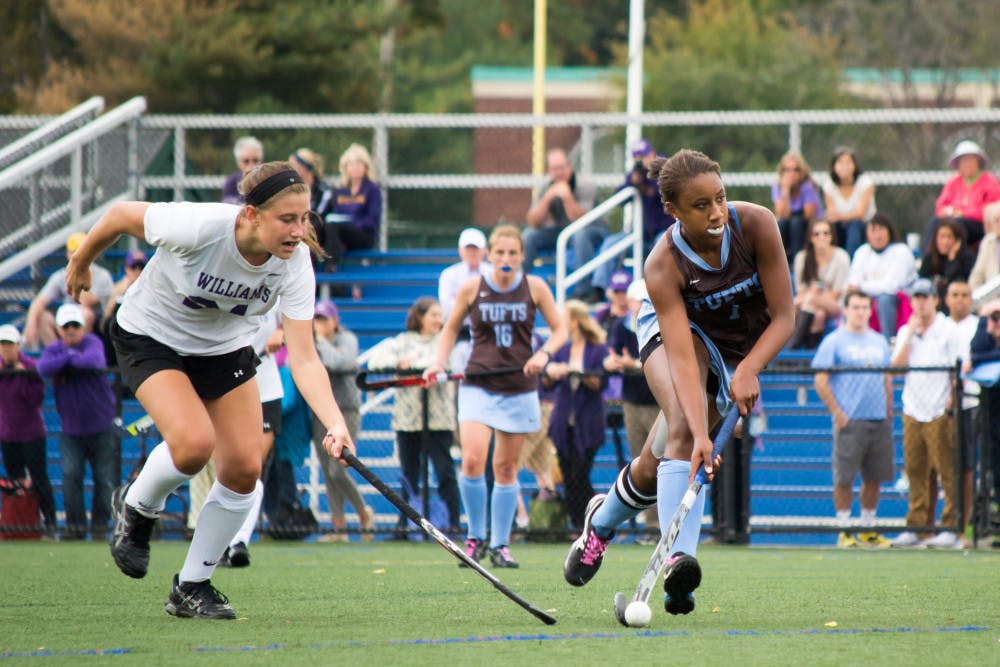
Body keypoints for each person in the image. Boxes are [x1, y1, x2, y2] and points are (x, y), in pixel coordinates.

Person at [65, 161, 354, 619]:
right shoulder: (200, 226)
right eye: (287, 219)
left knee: (243, 468)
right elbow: (120, 215)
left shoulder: (295, 264)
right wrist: (82, 261)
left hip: (223, 350)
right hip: (150, 336)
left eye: (304, 219)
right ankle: (138, 506)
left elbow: (303, 357)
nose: (299, 231)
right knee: (194, 444)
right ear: (251, 215)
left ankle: (192, 586)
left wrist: (335, 422)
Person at [563, 149, 794, 617]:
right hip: (677, 337)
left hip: (736, 348)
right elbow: (685, 361)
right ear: (672, 210)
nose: (716, 213)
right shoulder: (663, 265)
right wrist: (705, 436)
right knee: (685, 433)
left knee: (656, 460)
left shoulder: (757, 225)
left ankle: (601, 521)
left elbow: (786, 317)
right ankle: (678, 562)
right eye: (701, 205)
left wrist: (749, 367)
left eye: (720, 198)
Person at [423, 225, 567, 569]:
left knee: (505, 468)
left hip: (519, 387)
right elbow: (451, 329)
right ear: (490, 255)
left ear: (521, 256)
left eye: (512, 253)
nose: (505, 259)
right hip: (478, 383)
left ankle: (501, 544)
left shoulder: (535, 287)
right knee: (473, 459)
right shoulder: (473, 288)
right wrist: (438, 362)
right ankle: (474, 538)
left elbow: (561, 329)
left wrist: (543, 355)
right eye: (499, 253)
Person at [187, 307, 284, 566]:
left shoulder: (278, 285)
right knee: (227, 473)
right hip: (230, 387)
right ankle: (217, 543)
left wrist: (282, 331)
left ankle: (239, 542)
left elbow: (298, 326)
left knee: (251, 470)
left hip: (266, 388)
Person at [367, 297, 461, 534]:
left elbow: (444, 362)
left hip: (438, 419)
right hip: (408, 420)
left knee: (444, 471)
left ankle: (454, 522)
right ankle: (406, 524)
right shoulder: (402, 341)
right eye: (433, 315)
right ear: (420, 317)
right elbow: (375, 360)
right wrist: (398, 363)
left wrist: (417, 366)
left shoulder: (444, 342)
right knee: (409, 473)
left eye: (440, 316)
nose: (438, 320)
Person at [811, 290, 894, 548]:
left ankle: (868, 528)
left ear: (871, 310)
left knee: (874, 477)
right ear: (845, 310)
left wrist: (889, 412)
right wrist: (838, 413)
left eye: (864, 307)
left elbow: (886, 379)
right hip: (850, 421)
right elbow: (820, 380)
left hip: (878, 419)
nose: (860, 312)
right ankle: (845, 529)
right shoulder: (834, 341)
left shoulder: (879, 341)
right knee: (844, 477)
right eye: (855, 307)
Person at [890, 279, 964, 548]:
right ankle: (917, 526)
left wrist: (950, 404)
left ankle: (950, 526)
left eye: (925, 297)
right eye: (916, 298)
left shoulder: (948, 330)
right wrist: (909, 334)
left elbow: (958, 371)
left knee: (947, 470)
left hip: (938, 409)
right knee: (915, 470)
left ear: (935, 300)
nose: (920, 303)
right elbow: (896, 367)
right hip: (913, 409)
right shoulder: (906, 330)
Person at [36, 303, 118, 541]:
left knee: (105, 480)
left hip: (101, 426)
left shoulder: (93, 342)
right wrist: (71, 357)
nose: (71, 330)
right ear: (59, 330)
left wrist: (67, 359)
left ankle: (100, 527)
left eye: (75, 326)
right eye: (66, 327)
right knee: (71, 476)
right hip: (71, 430)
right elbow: (43, 367)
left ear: (82, 327)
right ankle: (75, 528)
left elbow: (91, 361)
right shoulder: (54, 350)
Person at [541, 300, 609, 529]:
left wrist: (575, 372)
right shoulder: (562, 349)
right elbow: (547, 382)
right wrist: (551, 372)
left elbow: (599, 382)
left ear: (576, 321)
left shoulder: (597, 348)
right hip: (563, 422)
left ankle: (599, 519)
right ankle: (578, 525)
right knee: (568, 478)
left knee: (580, 474)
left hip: (587, 421)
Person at [311, 299, 374, 541]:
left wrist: (321, 341)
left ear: (335, 320)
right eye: (317, 319)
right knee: (328, 471)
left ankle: (362, 512)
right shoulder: (315, 342)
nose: (320, 324)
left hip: (346, 409)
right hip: (321, 410)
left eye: (324, 318)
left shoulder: (346, 338)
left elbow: (338, 362)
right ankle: (339, 528)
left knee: (338, 469)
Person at [604, 279, 660, 533]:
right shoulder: (620, 326)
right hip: (632, 403)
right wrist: (612, 363)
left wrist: (633, 365)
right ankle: (649, 526)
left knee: (661, 462)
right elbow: (611, 356)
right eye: (635, 301)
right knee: (641, 465)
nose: (637, 307)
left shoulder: (660, 325)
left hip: (658, 404)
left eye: (642, 302)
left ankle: (661, 525)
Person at [589, 139, 675, 295]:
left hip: (664, 232)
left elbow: (660, 191)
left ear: (652, 153)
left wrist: (647, 175)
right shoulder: (637, 173)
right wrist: (632, 182)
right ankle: (598, 290)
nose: (640, 160)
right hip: (641, 236)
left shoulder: (667, 166)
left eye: (644, 156)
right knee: (610, 244)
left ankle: (662, 290)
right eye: (637, 157)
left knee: (662, 246)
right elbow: (619, 198)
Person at [523, 148, 606, 301]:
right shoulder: (546, 186)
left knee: (579, 234)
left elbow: (582, 220)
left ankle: (585, 291)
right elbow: (533, 221)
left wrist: (567, 197)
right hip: (563, 232)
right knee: (529, 235)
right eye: (555, 169)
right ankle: (517, 283)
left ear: (570, 167)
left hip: (593, 230)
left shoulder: (585, 185)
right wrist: (548, 198)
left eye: (562, 167)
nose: (559, 172)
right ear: (549, 171)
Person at [0, 324, 57, 535]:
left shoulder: (31, 367)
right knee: (14, 481)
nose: (6, 349)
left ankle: (50, 523)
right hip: (8, 435)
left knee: (39, 479)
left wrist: (23, 377)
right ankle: (17, 525)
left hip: (32, 434)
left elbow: (36, 399)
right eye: (3, 345)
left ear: (18, 346)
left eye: (10, 345)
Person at [23, 232, 114, 348]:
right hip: (67, 319)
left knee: (85, 314)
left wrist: (81, 274)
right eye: (74, 252)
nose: (78, 256)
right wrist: (31, 323)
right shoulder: (60, 275)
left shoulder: (102, 275)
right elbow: (39, 301)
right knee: (42, 317)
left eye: (82, 251)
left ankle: (82, 355)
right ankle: (57, 355)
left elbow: (86, 302)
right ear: (68, 254)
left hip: (96, 326)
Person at [844, 213, 917, 341]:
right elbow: (853, 281)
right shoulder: (862, 251)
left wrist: (862, 287)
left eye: (881, 230)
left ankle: (887, 341)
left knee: (884, 299)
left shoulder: (901, 251)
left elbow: (892, 286)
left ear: (889, 231)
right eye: (873, 231)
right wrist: (859, 288)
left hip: (897, 299)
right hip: (868, 296)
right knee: (850, 299)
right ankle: (851, 339)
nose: (877, 235)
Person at [945, 280, 980, 544]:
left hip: (971, 403)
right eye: (955, 295)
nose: (960, 299)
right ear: (946, 299)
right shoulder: (940, 326)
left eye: (965, 295)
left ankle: (963, 526)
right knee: (943, 467)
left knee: (967, 467)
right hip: (939, 406)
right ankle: (942, 525)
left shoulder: (979, 326)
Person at [788, 219, 851, 349]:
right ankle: (809, 353)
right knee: (818, 314)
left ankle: (792, 346)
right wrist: (813, 296)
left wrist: (815, 294)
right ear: (811, 237)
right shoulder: (802, 257)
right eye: (817, 234)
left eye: (825, 233)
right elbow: (800, 290)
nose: (821, 237)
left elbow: (837, 294)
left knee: (805, 301)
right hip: (809, 304)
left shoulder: (841, 257)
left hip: (835, 304)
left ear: (831, 236)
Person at [926, 140, 1000, 250]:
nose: (967, 164)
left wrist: (964, 213)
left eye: (970, 160)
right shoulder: (953, 182)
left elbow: (992, 210)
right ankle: (927, 259)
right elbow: (940, 206)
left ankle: (959, 259)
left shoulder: (990, 182)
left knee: (958, 225)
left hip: (978, 226)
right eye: (964, 161)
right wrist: (949, 211)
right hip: (954, 221)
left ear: (978, 162)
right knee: (935, 222)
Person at [438, 227, 490, 373]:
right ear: (461, 250)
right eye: (468, 248)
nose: (472, 252)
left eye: (476, 248)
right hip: (460, 335)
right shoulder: (449, 275)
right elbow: (448, 310)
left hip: (488, 335)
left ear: (484, 251)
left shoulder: (492, 273)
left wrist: (463, 304)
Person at [327, 143, 382, 265]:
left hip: (363, 235)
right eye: (351, 164)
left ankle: (332, 267)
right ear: (345, 167)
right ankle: (321, 272)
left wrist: (352, 223)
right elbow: (336, 213)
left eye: (358, 163)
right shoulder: (340, 190)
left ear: (365, 166)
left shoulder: (372, 189)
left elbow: (372, 220)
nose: (355, 167)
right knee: (325, 228)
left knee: (333, 227)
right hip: (341, 234)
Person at [821, 146, 876, 258]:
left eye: (848, 162)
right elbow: (832, 215)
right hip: (840, 225)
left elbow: (860, 214)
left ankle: (851, 263)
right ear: (834, 166)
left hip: (864, 225)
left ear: (855, 165)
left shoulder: (865, 182)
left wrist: (841, 216)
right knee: (829, 228)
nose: (844, 166)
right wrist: (843, 217)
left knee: (854, 226)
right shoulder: (829, 185)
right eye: (840, 162)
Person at [771, 152, 824, 265]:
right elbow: (782, 214)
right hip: (790, 224)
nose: (792, 173)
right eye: (787, 170)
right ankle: (780, 262)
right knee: (781, 223)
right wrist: (785, 191)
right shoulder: (778, 186)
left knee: (796, 223)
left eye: (796, 170)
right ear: (782, 172)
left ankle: (796, 263)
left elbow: (809, 214)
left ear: (802, 172)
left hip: (808, 224)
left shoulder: (808, 186)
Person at [288, 148, 335, 266]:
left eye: (293, 165)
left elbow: (319, 216)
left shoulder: (323, 190)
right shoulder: (290, 189)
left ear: (303, 168)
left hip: (317, 234)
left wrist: (303, 228)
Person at [101, 250, 147, 368]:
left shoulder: (152, 287)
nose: (137, 271)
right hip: (123, 328)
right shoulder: (119, 288)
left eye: (141, 267)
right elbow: (105, 319)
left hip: (143, 329)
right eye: (133, 267)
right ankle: (112, 366)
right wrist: (122, 292)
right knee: (110, 324)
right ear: (127, 269)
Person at [918, 218, 974, 310]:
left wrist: (952, 260)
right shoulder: (930, 258)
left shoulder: (967, 258)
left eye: (949, 237)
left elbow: (954, 282)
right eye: (942, 237)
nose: (945, 242)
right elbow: (923, 282)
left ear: (957, 240)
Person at [221, 136, 264, 205]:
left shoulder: (268, 179)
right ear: (239, 163)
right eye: (246, 161)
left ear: (261, 160)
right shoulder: (232, 181)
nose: (251, 165)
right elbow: (227, 204)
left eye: (255, 160)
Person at [968, 201, 1000, 291]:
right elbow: (977, 274)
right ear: (991, 225)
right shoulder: (987, 242)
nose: (999, 224)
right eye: (996, 221)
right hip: (990, 298)